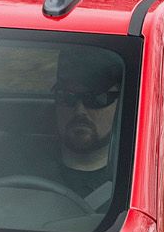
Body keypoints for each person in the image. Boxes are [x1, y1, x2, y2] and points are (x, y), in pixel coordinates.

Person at [40, 46, 126, 211]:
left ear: (119, 104)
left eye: (96, 99)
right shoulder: (15, 164)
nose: (80, 111)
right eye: (68, 98)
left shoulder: (139, 182)